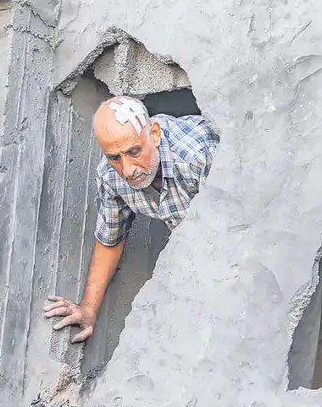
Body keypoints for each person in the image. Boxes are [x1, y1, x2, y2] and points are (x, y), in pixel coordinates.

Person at [43, 95, 220, 342]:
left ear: (155, 134)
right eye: (115, 157)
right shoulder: (111, 176)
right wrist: (88, 310)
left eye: (133, 152)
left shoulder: (196, 156)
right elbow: (110, 239)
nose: (127, 170)